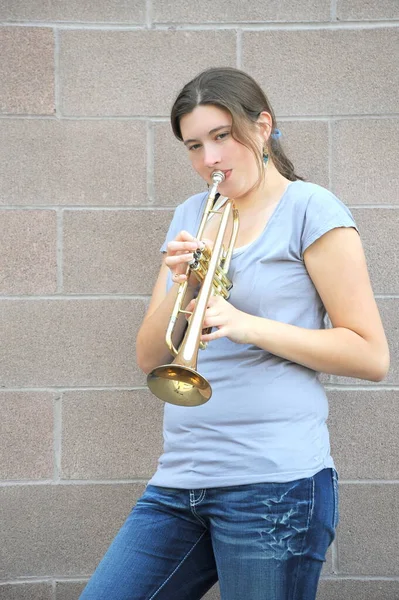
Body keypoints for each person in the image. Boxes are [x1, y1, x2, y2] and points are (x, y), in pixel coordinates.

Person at [79, 67, 390, 600]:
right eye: (194, 146)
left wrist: (247, 325)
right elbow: (149, 355)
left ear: (262, 127)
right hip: (179, 482)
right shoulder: (192, 214)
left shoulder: (310, 209)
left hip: (276, 488)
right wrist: (182, 284)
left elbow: (370, 354)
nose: (210, 161)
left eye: (221, 137)